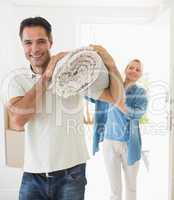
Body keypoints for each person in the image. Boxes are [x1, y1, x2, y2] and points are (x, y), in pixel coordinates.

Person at [3, 16, 124, 200]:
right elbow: (18, 120)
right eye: (28, 43)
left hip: (71, 173)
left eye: (41, 41)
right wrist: (47, 77)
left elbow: (117, 98)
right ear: (22, 45)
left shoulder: (72, 71)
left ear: (51, 42)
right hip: (33, 174)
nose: (34, 49)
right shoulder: (16, 80)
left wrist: (109, 61)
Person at [86, 59, 148, 200]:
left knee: (131, 187)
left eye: (138, 69)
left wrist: (120, 104)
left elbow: (138, 113)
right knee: (114, 189)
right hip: (109, 142)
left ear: (140, 74)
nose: (134, 70)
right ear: (125, 69)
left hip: (129, 144)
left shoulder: (140, 92)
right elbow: (94, 97)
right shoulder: (112, 88)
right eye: (131, 67)